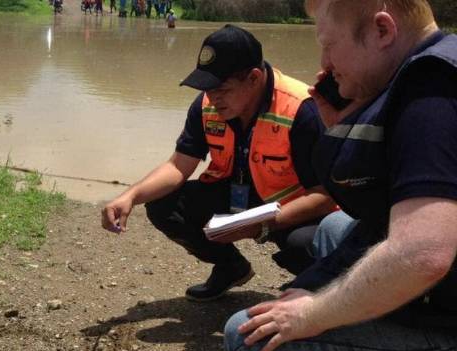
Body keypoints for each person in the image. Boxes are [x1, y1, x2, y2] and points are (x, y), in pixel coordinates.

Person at [225, 1, 457, 351]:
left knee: (247, 339)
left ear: (382, 31)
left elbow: (424, 254)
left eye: (329, 45)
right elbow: (375, 212)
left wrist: (312, 313)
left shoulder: (431, 92)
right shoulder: (432, 66)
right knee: (333, 229)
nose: (325, 64)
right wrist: (345, 127)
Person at [101, 24, 336, 302]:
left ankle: (323, 294)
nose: (212, 99)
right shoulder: (207, 105)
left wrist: (261, 225)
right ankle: (231, 267)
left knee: (307, 244)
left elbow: (325, 195)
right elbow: (178, 166)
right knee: (163, 205)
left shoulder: (302, 109)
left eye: (222, 89)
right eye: (208, 89)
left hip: (291, 207)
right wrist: (130, 196)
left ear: (254, 78)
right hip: (236, 193)